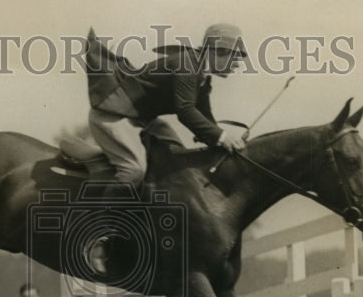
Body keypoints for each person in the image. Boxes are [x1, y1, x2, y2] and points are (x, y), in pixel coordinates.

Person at [83, 23, 249, 271]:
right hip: (113, 117)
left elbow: (204, 118)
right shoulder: (187, 64)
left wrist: (223, 140)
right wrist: (221, 136)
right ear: (218, 51)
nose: (237, 64)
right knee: (133, 171)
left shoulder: (201, 74)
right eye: (235, 57)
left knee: (178, 162)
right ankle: (97, 235)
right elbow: (185, 111)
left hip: (144, 119)